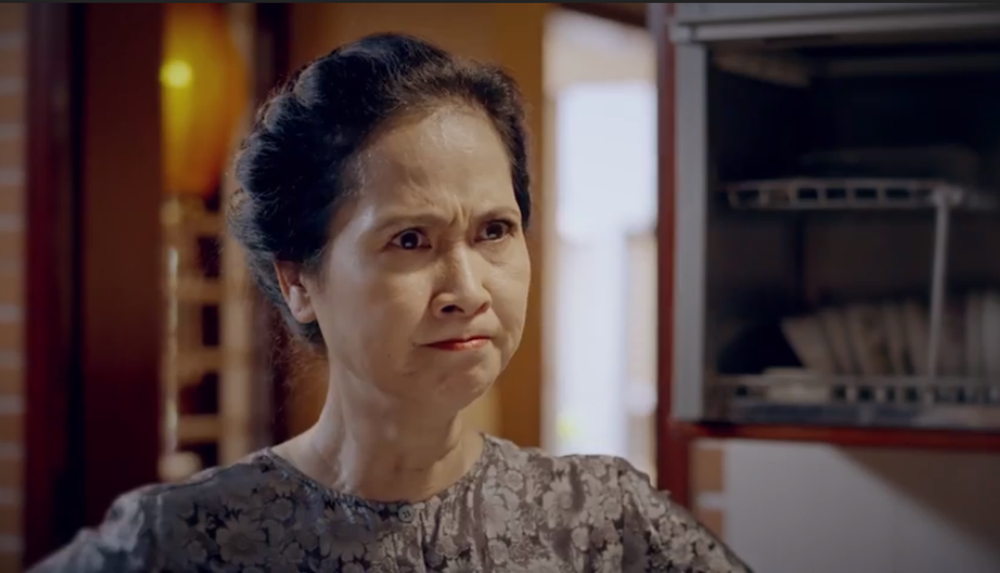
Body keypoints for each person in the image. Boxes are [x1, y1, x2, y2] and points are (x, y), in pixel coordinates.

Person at [29, 33, 750, 572]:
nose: (468, 290)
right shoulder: (182, 540)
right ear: (299, 282)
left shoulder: (603, 525)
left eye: (495, 231)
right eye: (410, 240)